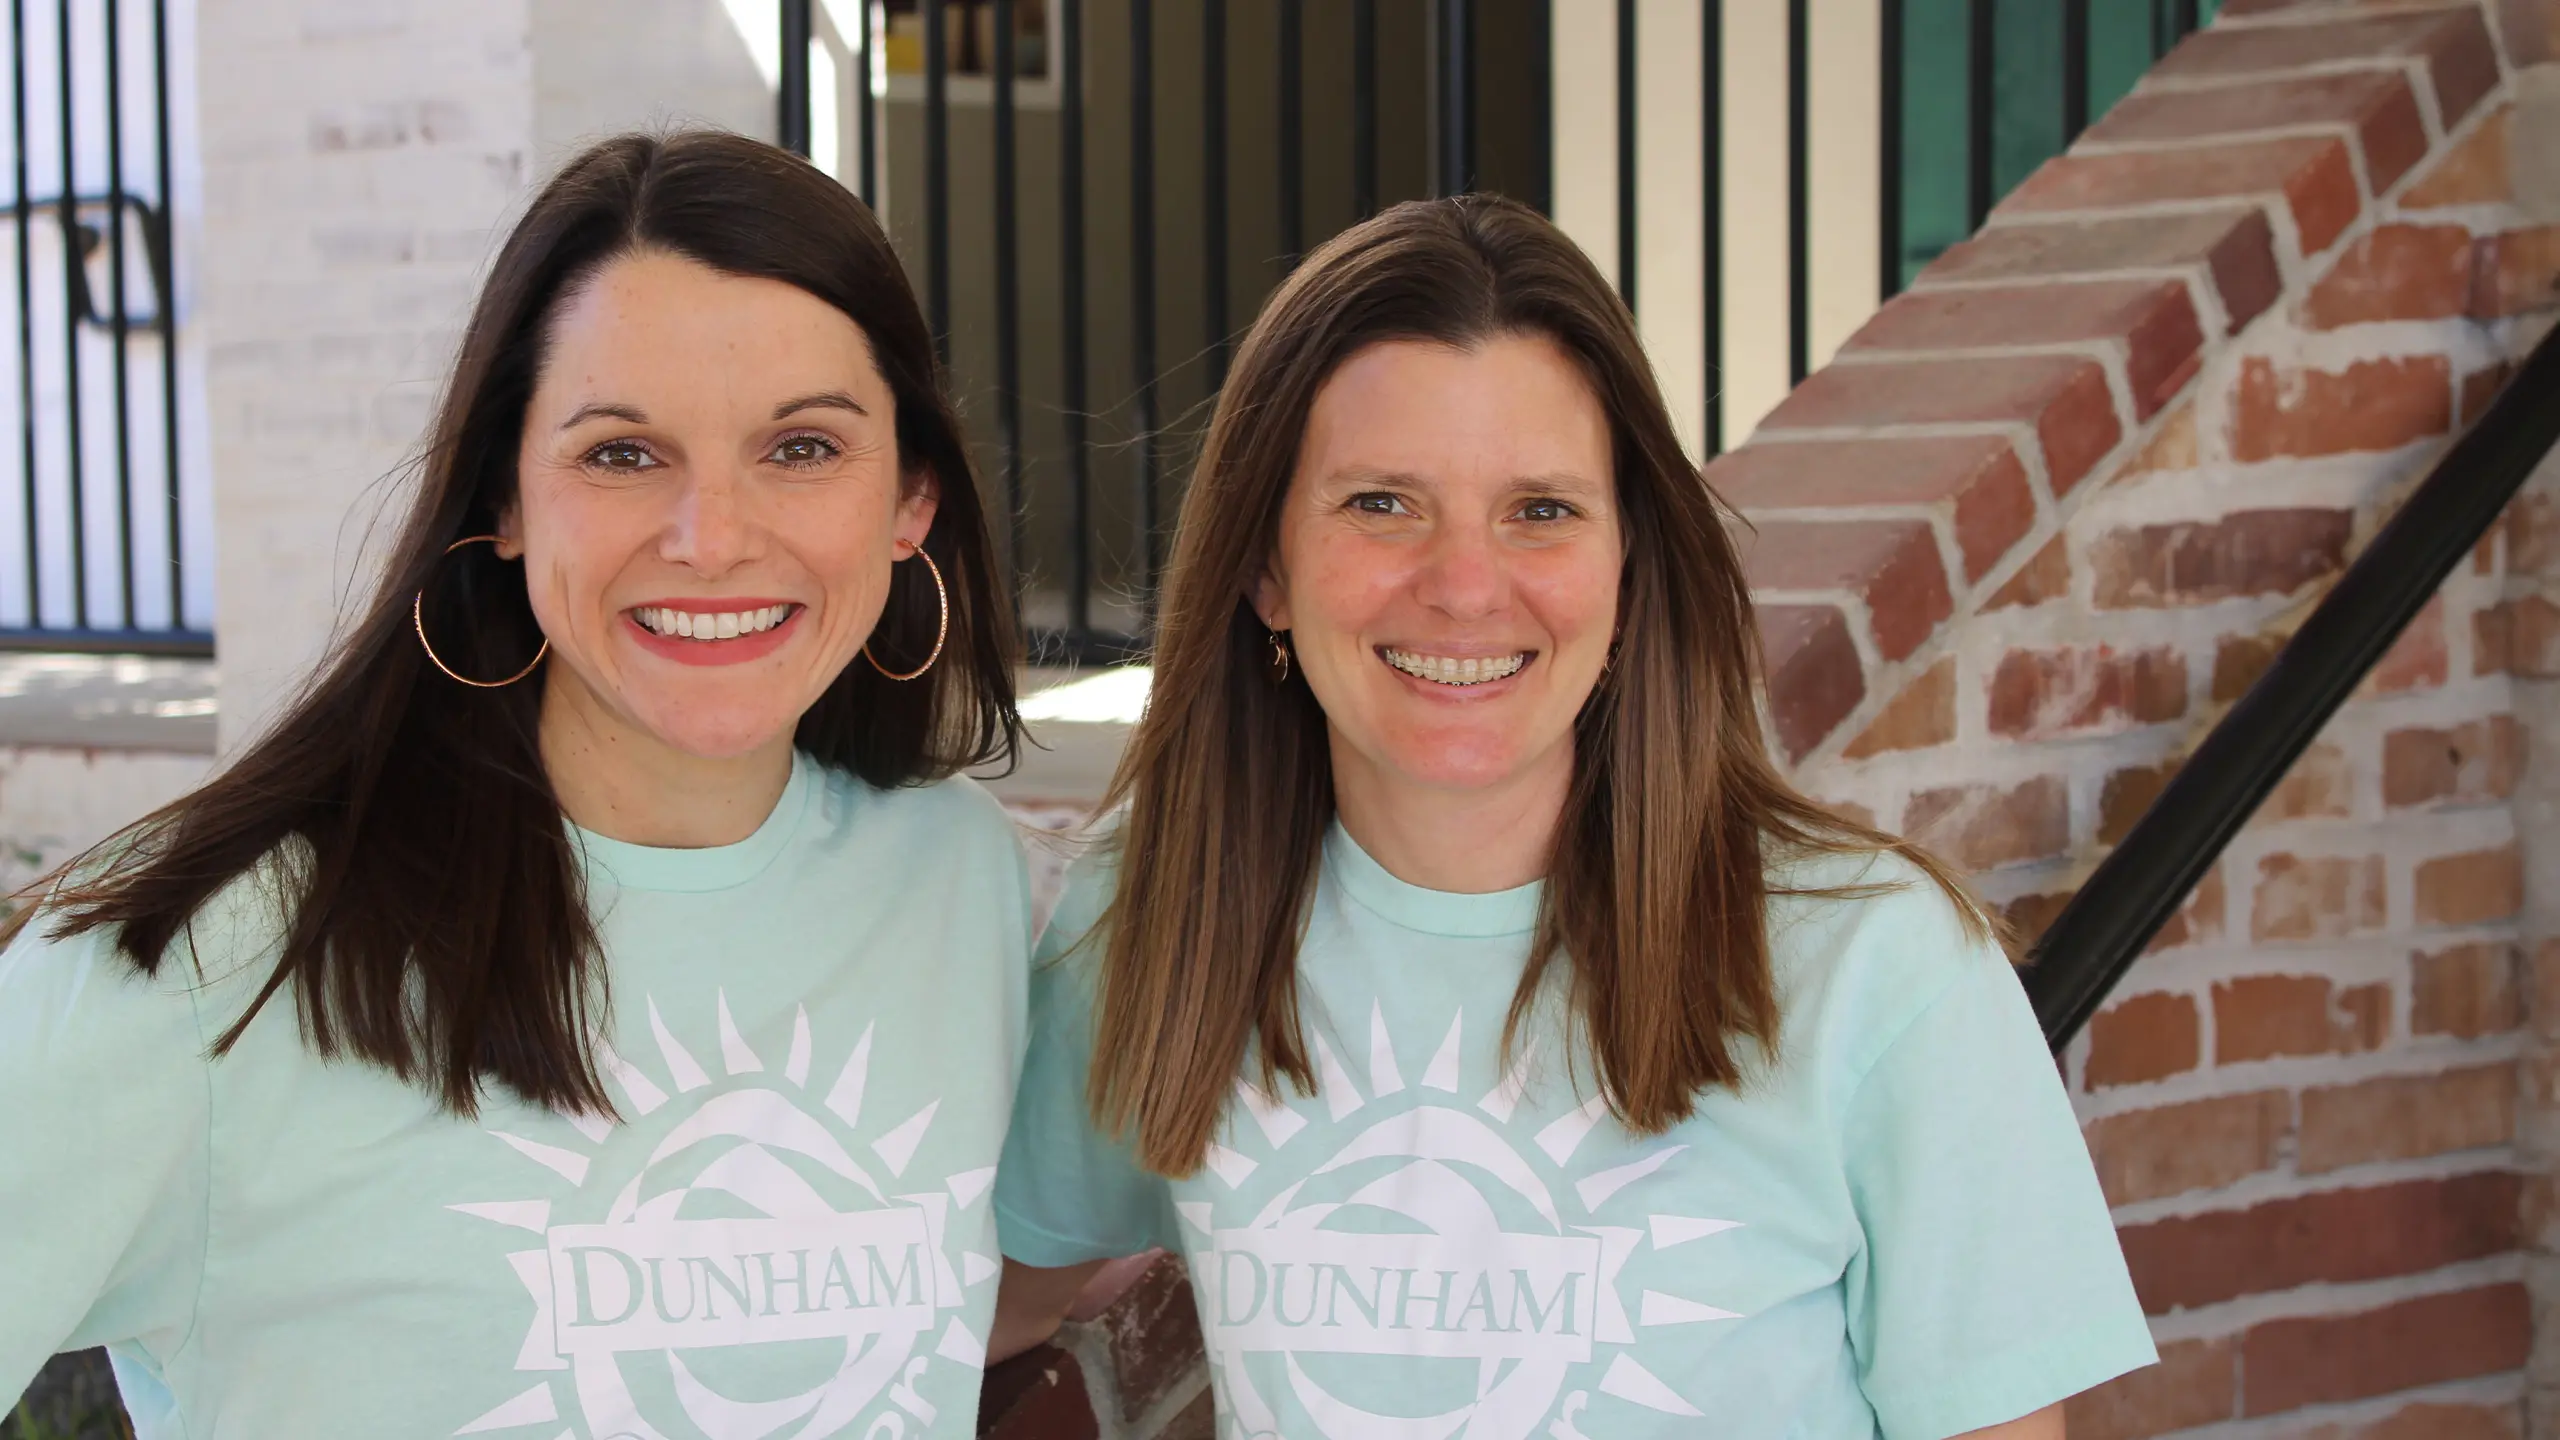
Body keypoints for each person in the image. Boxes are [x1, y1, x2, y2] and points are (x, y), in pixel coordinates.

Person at [990, 195, 2153, 1438]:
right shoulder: (1157, 920)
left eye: (1540, 509)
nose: (1465, 586)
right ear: (1266, 571)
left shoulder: (1872, 959)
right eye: (1381, 502)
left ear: (1629, 563)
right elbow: (958, 1300)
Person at [0, 131, 1029, 1438]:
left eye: (803, 448)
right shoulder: (206, 960)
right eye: (621, 455)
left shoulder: (955, 880)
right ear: (504, 501)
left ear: (912, 500)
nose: (712, 538)